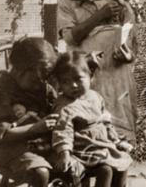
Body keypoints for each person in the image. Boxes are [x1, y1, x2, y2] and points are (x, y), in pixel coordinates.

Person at [57, 0, 138, 142]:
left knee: (119, 132)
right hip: (85, 76)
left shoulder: (120, 5)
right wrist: (98, 16)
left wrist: (128, 56)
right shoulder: (68, 4)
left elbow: (132, 43)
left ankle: (120, 171)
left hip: (116, 77)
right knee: (88, 129)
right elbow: (70, 37)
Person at [0, 38, 59, 187]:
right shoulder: (0, 94)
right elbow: (1, 136)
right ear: (19, 70)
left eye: (45, 77)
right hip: (14, 150)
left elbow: (57, 106)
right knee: (40, 172)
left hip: (42, 144)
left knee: (83, 157)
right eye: (37, 79)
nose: (42, 83)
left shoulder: (42, 87)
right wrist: (36, 128)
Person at [51, 51, 133, 187]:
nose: (73, 85)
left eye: (78, 79)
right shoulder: (64, 105)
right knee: (105, 170)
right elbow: (62, 130)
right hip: (82, 149)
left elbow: (105, 120)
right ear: (60, 84)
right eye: (65, 82)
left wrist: (116, 140)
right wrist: (65, 153)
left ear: (90, 76)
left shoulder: (95, 97)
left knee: (123, 163)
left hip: (101, 145)